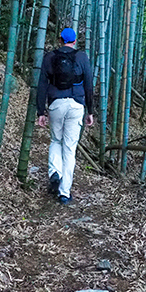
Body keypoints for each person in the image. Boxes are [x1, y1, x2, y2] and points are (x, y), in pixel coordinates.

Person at [36, 27, 98, 205]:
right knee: (70, 149)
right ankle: (64, 192)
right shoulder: (82, 57)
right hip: (76, 105)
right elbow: (88, 86)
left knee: (56, 140)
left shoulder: (49, 57)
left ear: (60, 39)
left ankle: (55, 172)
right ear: (74, 40)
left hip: (56, 103)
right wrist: (90, 111)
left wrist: (41, 111)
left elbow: (42, 85)